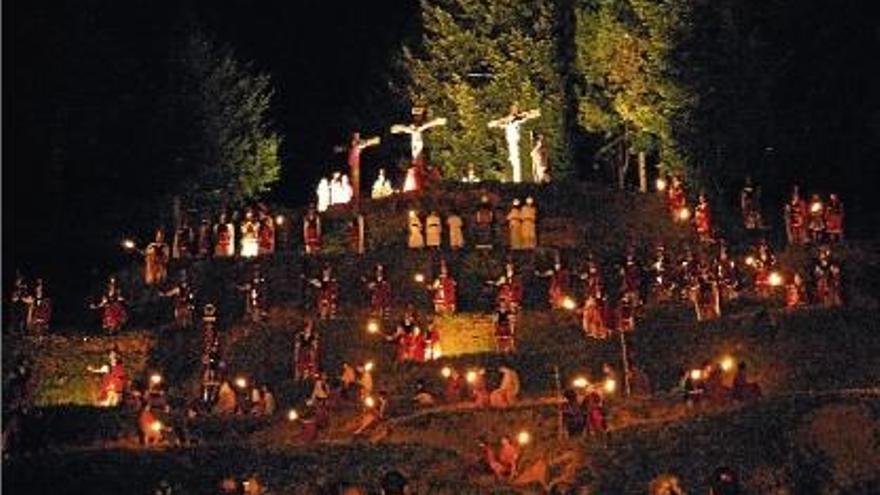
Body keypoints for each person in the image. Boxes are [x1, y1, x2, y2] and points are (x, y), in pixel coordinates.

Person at [488, 103, 541, 183]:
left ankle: (518, 179)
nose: (514, 110)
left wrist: (527, 114)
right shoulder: (508, 121)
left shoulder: (520, 118)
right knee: (514, 160)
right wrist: (500, 122)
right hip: (511, 143)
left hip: (518, 143)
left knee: (517, 161)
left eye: (516, 109)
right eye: (513, 109)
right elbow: (492, 124)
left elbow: (534, 114)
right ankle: (516, 179)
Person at [343, 132, 381, 202]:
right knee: (354, 178)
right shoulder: (354, 144)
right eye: (355, 136)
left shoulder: (359, 143)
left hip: (356, 162)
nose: (357, 137)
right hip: (354, 162)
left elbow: (365, 143)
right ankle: (355, 199)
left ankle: (357, 198)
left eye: (358, 136)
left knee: (357, 179)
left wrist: (373, 141)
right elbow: (351, 146)